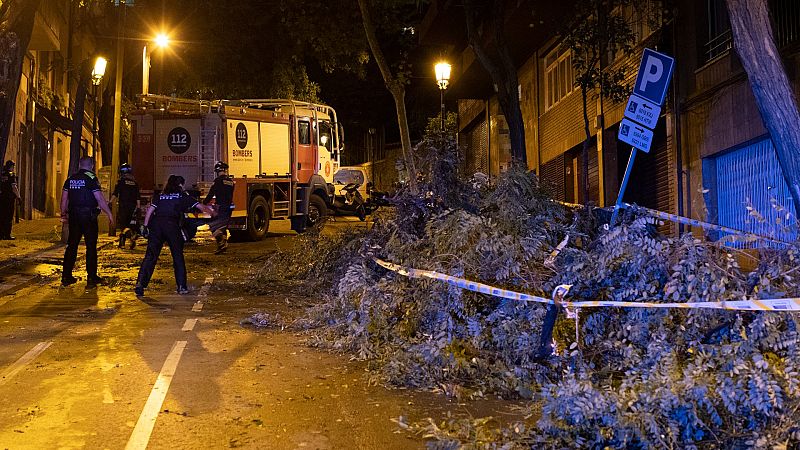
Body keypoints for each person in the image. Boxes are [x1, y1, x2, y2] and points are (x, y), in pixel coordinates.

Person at [134, 175, 215, 297]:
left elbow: (150, 210)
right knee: (177, 256)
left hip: (156, 226)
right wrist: (212, 213)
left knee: (150, 256)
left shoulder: (160, 196)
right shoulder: (182, 196)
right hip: (171, 226)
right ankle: (181, 286)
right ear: (180, 185)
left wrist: (145, 226)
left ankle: (140, 284)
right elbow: (200, 207)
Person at [61, 156, 115, 287]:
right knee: (91, 246)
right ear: (91, 165)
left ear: (80, 165)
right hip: (88, 216)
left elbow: (64, 199)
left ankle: (66, 276)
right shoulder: (92, 179)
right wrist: (109, 214)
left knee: (72, 245)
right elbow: (100, 199)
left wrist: (63, 214)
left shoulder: (70, 179)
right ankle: (91, 277)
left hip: (74, 216)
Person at [204, 161, 235, 254]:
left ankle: (221, 244)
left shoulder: (217, 181)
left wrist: (204, 202)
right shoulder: (231, 182)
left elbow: (211, 194)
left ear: (217, 171)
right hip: (229, 207)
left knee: (214, 226)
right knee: (223, 226)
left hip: (221, 206)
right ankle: (223, 244)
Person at [109, 163, 141, 249]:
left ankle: (124, 241)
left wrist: (110, 202)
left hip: (123, 206)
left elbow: (115, 193)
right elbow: (138, 196)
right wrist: (138, 208)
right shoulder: (135, 183)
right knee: (130, 224)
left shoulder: (121, 181)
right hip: (133, 207)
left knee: (123, 225)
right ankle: (131, 238)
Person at [0, 161, 21, 240]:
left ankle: (1, 234)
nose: (13, 168)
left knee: (2, 216)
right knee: (9, 217)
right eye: (13, 166)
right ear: (11, 166)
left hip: (2, 198)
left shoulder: (2, 173)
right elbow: (14, 187)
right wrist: (18, 197)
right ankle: (7, 235)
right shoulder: (11, 175)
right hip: (9, 199)